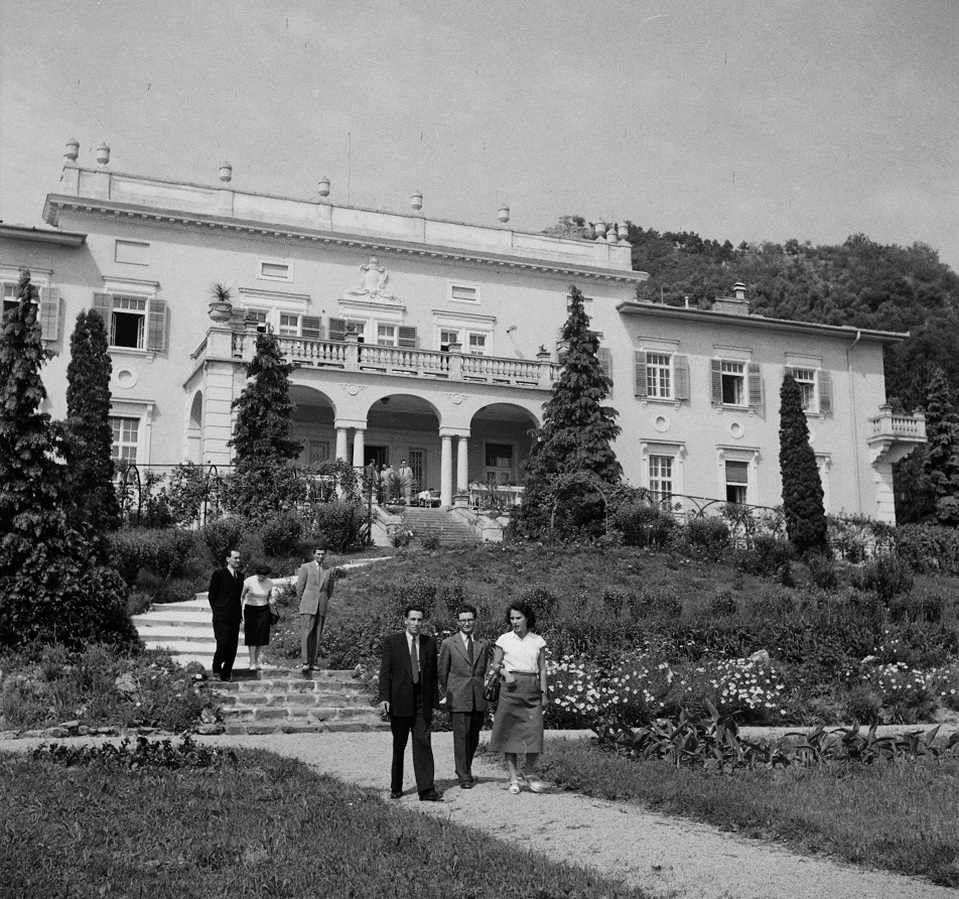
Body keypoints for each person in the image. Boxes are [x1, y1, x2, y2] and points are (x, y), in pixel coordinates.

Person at [377, 604, 442, 802]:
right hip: (400, 700)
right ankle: (396, 786)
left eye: (419, 620)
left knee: (423, 742)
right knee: (399, 744)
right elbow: (385, 672)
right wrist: (384, 697)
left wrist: (434, 702)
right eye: (412, 619)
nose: (416, 623)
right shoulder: (393, 642)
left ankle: (426, 789)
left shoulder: (429, 643)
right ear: (405, 620)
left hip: (421, 700)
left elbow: (431, 675)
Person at [487, 601, 549, 794]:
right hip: (510, 689)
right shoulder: (504, 639)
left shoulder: (538, 641)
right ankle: (513, 778)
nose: (515, 622)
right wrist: (505, 674)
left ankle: (528, 773)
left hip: (531, 690)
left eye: (518, 618)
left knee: (535, 732)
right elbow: (495, 665)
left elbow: (542, 669)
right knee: (509, 733)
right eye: (512, 618)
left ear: (527, 618)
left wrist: (544, 692)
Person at [438, 604, 490, 789]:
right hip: (458, 695)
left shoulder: (483, 643)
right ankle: (464, 775)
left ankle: (465, 768)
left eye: (470, 619)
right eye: (463, 620)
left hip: (477, 696)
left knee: (473, 735)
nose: (467, 623)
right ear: (457, 622)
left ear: (475, 621)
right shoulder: (448, 643)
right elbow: (442, 672)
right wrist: (451, 690)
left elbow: (482, 670)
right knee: (461, 736)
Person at [296, 541, 336, 673]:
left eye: (323, 554)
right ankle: (305, 662)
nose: (320, 556)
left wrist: (322, 600)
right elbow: (299, 589)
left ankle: (314, 662)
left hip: (322, 606)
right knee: (306, 634)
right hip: (308, 605)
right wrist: (308, 600)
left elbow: (329, 590)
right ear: (314, 555)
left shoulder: (329, 570)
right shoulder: (305, 567)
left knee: (317, 635)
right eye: (318, 554)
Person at [207, 549, 244, 682]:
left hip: (234, 616)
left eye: (239, 558)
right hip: (221, 615)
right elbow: (212, 595)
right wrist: (218, 610)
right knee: (223, 642)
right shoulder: (219, 574)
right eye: (235, 558)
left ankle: (227, 672)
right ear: (228, 559)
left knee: (232, 646)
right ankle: (217, 668)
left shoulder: (240, 576)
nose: (238, 561)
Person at [240, 564, 276, 671]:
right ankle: (251, 662)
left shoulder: (270, 583)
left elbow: (269, 595)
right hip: (251, 609)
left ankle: (256, 661)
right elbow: (242, 596)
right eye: (260, 576)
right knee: (252, 635)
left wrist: (271, 599)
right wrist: (239, 611)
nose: (262, 578)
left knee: (261, 636)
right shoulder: (249, 581)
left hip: (264, 609)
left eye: (264, 577)